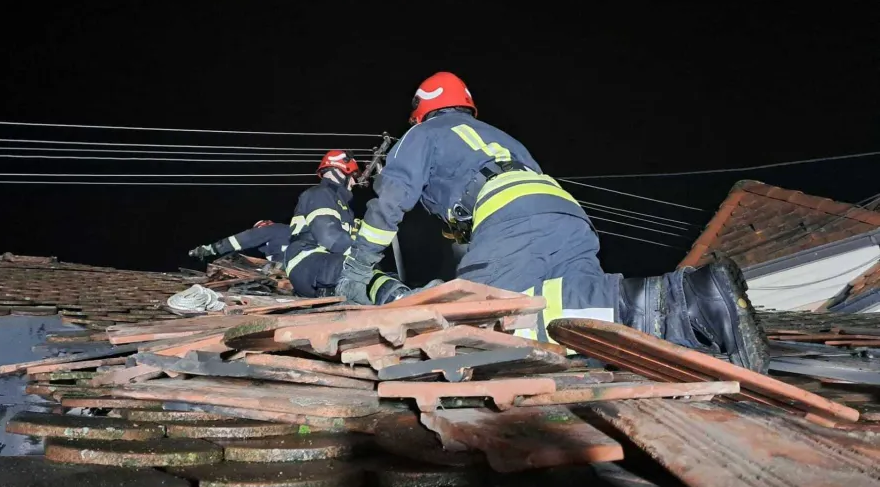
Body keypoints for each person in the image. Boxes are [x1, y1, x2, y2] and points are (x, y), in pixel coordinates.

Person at [335, 71, 769, 373]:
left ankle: (692, 297)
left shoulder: (423, 133)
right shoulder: (501, 137)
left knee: (482, 322)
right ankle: (698, 316)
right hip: (566, 215)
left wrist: (357, 270)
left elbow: (390, 203)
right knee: (579, 322)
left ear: (421, 110)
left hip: (514, 218)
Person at [189, 220, 291, 266]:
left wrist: (210, 249)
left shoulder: (272, 229)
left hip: (289, 266)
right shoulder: (287, 232)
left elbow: (241, 240)